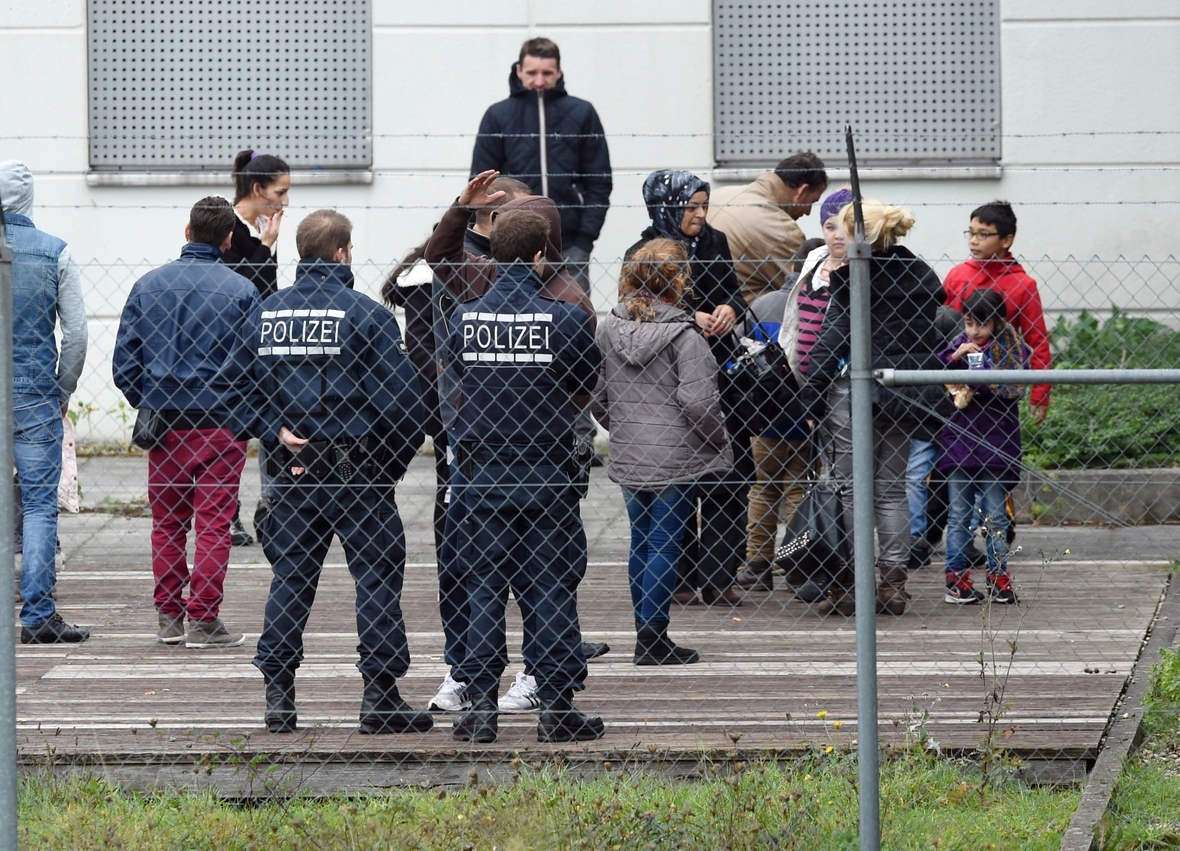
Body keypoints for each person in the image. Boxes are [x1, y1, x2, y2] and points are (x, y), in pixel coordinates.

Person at [236, 209, 432, 735]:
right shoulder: (367, 316)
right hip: (359, 473)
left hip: (291, 475)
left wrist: (273, 427)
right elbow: (405, 408)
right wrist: (385, 469)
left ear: (303, 253)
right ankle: (380, 699)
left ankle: (279, 698)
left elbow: (237, 389)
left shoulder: (265, 313)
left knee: (291, 580)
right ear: (343, 252)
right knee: (377, 582)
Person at [424, 171, 607, 719]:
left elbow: (455, 367)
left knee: (481, 585)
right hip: (545, 467)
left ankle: (480, 710)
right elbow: (582, 385)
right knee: (550, 584)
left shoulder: (467, 313)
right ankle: (555, 710)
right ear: (543, 253)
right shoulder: (570, 312)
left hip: (480, 469)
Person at [113, 196, 259, 648]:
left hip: (165, 426)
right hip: (220, 424)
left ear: (187, 231)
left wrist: (151, 398)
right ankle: (204, 618)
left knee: (168, 523)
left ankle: (169, 618)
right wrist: (242, 413)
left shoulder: (148, 285)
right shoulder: (241, 291)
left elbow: (125, 365)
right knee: (214, 524)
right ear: (229, 239)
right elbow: (255, 364)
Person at [798, 199, 945, 616]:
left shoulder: (855, 277)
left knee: (847, 487)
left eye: (846, 230)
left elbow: (831, 340)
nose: (840, 238)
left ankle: (850, 583)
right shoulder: (920, 275)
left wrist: (810, 395)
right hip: (906, 394)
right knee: (891, 488)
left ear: (863, 236)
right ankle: (893, 584)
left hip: (855, 394)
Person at [592, 239, 733, 665]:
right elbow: (698, 402)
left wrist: (623, 427)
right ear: (678, 282)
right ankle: (653, 638)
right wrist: (717, 438)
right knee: (667, 544)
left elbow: (597, 396)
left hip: (631, 450)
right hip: (675, 455)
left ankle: (644, 629)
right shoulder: (686, 337)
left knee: (641, 542)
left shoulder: (607, 328)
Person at [626, 169, 747, 608]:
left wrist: (729, 310)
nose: (699, 214)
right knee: (676, 483)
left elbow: (734, 291)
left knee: (728, 476)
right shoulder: (643, 250)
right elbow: (633, 310)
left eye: (703, 205)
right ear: (667, 206)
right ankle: (677, 575)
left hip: (720, 375)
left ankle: (719, 574)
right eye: (690, 206)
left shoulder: (714, 243)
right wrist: (687, 317)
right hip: (667, 383)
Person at [1, 160, 90, 644]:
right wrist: (62, 390)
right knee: (38, 506)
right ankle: (36, 617)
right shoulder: (55, 252)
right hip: (35, 394)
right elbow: (75, 335)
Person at [470, 37, 612, 291]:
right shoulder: (498, 116)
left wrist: (584, 238)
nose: (539, 81)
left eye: (547, 73)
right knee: (512, 316)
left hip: (569, 244)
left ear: (559, 72)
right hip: (510, 242)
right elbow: (483, 182)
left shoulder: (582, 113)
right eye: (532, 72)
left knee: (573, 316)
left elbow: (599, 180)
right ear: (518, 71)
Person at [733, 234, 827, 594]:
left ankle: (757, 565)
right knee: (798, 492)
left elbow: (740, 355)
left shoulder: (763, 305)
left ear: (791, 267)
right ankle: (797, 565)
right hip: (807, 415)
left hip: (765, 417)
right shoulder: (823, 304)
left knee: (761, 490)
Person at [938, 288, 1026, 605]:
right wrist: (956, 358)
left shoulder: (1011, 348)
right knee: (959, 514)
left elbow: (1012, 385)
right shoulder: (957, 346)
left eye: (981, 324)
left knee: (995, 517)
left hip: (996, 445)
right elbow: (938, 372)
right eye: (968, 322)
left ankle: (998, 577)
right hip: (960, 444)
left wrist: (977, 375)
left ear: (997, 322)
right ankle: (956, 579)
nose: (973, 331)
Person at [221, 150, 292, 547]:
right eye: (280, 192)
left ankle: (272, 506)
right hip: (231, 348)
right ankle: (228, 516)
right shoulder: (227, 228)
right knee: (233, 434)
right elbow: (233, 292)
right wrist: (264, 247)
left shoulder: (264, 225)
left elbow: (267, 290)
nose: (285, 202)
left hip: (263, 344)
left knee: (269, 425)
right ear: (257, 188)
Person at [943, 202, 1050, 424]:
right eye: (971, 233)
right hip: (955, 386)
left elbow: (1037, 340)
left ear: (1006, 240)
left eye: (983, 234)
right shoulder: (958, 276)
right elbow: (943, 326)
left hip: (1000, 390)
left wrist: (1041, 392)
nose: (973, 240)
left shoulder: (1023, 284)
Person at [706, 152, 828, 306]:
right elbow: (810, 291)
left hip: (700, 312)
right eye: (812, 202)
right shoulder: (781, 230)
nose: (808, 212)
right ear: (801, 191)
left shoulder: (717, 195)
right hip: (745, 323)